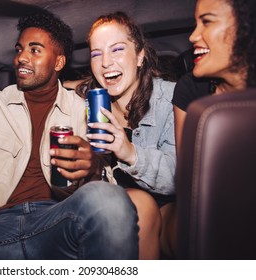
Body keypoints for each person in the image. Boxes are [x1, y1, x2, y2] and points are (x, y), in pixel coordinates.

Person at [0, 10, 139, 259]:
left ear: (58, 62)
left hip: (57, 221)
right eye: (19, 50)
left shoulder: (81, 109)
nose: (21, 58)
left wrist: (92, 168)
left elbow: (101, 192)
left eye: (35, 50)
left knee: (109, 199)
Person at [75, 11, 176, 259]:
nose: (106, 62)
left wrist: (130, 153)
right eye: (96, 54)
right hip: (111, 204)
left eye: (117, 49)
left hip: (165, 204)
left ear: (140, 56)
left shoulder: (170, 99)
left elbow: (178, 177)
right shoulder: (84, 103)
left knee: (145, 206)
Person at [171, 0, 256, 256]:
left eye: (206, 21)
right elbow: (192, 186)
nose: (193, 35)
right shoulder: (191, 91)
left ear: (247, 27)